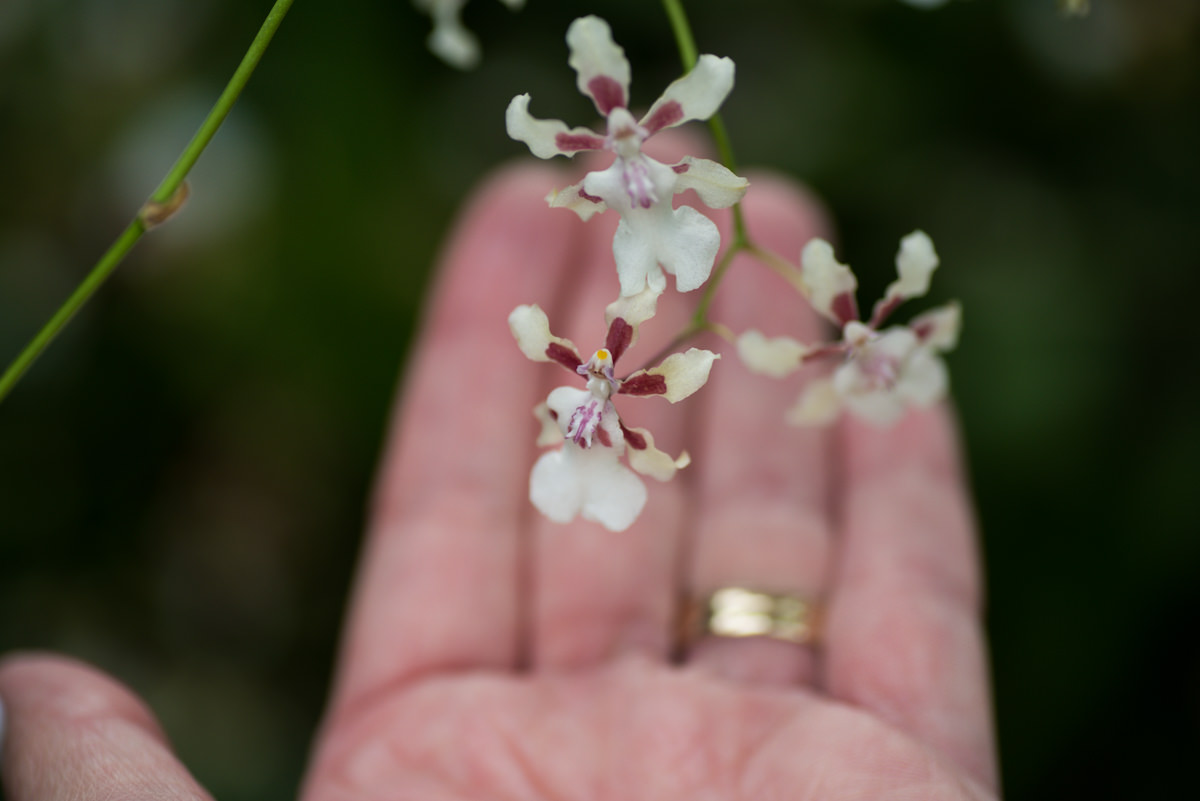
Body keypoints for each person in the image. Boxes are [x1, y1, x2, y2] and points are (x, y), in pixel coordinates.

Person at [0, 161, 997, 800]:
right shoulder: (603, 389)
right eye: (595, 388)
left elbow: (664, 397)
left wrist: (657, 443)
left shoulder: (648, 362)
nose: (598, 394)